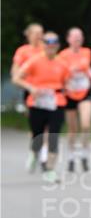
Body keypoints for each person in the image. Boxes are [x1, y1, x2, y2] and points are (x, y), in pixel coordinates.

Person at [11, 31, 68, 183]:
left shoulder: (63, 63)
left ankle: (50, 169)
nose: (51, 45)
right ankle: (34, 152)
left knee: (53, 135)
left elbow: (67, 83)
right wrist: (31, 87)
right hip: (37, 102)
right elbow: (16, 78)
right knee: (37, 135)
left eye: (54, 42)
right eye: (47, 42)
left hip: (56, 102)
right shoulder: (34, 61)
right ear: (43, 45)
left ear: (58, 45)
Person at [59, 27, 91, 173]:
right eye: (75, 36)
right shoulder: (62, 55)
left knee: (86, 125)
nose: (77, 39)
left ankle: (84, 155)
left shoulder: (87, 51)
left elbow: (86, 67)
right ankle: (71, 157)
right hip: (69, 93)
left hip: (85, 91)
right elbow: (61, 73)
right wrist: (70, 72)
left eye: (80, 36)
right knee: (72, 129)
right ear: (68, 39)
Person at [11, 23, 47, 170]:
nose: (39, 36)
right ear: (29, 35)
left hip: (47, 91)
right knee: (35, 126)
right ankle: (34, 151)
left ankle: (44, 156)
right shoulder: (23, 51)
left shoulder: (46, 49)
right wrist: (26, 84)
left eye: (41, 33)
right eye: (36, 33)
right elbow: (15, 73)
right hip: (30, 91)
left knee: (48, 124)